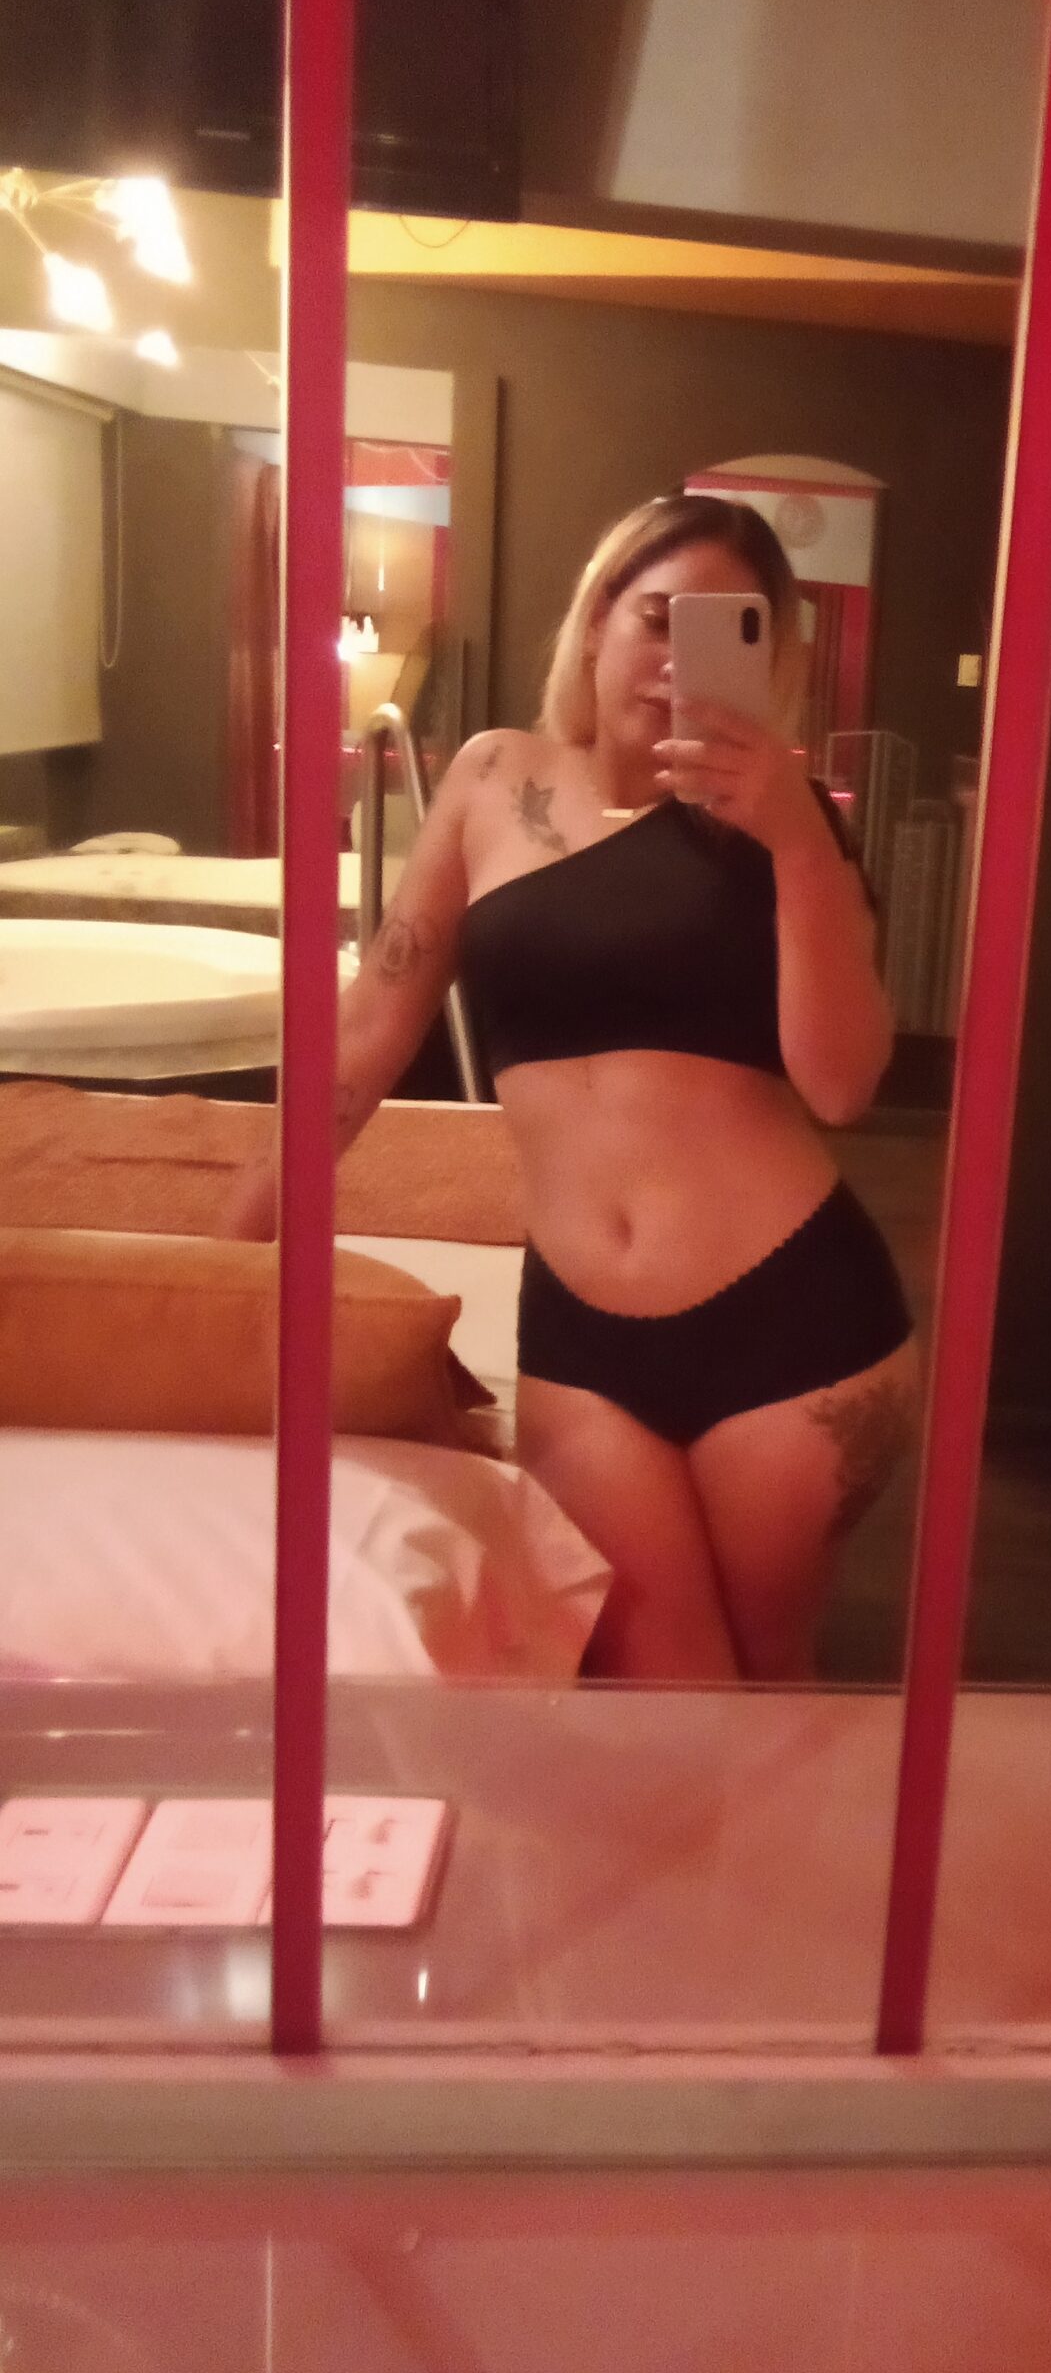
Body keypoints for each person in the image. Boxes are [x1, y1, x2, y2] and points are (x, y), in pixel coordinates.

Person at [224, 494, 918, 1680]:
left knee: (767, 1679)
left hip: (797, 1321)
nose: (675, 661)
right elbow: (370, 1026)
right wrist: (230, 1250)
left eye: (724, 629)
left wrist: (798, 839)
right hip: (583, 1344)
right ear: (596, 620)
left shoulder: (789, 826)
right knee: (660, 1691)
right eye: (656, 619)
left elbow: (843, 1083)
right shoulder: (494, 778)